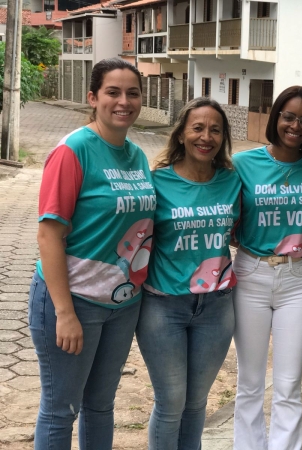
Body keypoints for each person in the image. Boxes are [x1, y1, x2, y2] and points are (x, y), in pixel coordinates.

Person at [29, 58, 154, 449]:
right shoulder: (73, 151)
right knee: (61, 408)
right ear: (93, 97)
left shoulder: (137, 155)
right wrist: (64, 313)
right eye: (112, 92)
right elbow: (49, 235)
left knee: (100, 405)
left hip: (122, 304)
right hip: (74, 302)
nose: (123, 101)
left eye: (132, 93)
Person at [136, 98, 241, 450]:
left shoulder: (232, 181)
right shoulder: (156, 183)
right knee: (171, 403)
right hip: (164, 307)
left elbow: (240, 231)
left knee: (197, 403)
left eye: (215, 130)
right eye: (197, 128)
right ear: (181, 134)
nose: (206, 136)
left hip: (217, 306)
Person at [232, 86, 302, 450]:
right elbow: (229, 219)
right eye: (289, 116)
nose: (296, 125)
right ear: (276, 117)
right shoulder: (243, 164)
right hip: (250, 275)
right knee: (250, 382)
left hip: (296, 280)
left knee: (288, 385)